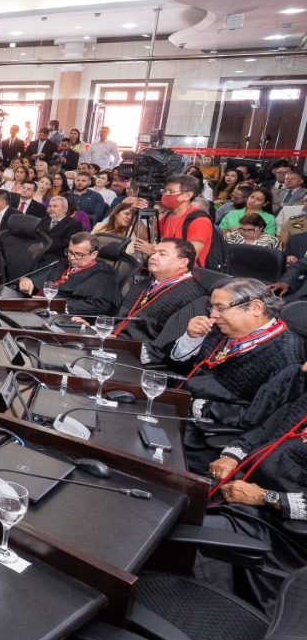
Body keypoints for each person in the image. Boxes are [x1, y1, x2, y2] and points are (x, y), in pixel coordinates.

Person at [204, 389, 307, 613]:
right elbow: (260, 433)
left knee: (195, 533)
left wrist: (265, 497)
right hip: (238, 493)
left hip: (282, 532)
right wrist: (232, 456)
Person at [170, 278, 302, 432]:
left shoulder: (287, 357)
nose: (213, 315)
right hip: (177, 404)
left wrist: (194, 405)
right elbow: (179, 369)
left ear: (256, 307)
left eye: (220, 308)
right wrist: (191, 339)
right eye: (211, 307)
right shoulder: (221, 328)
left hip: (207, 430)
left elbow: (263, 419)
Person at [103, 239, 204, 357]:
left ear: (182, 262)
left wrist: (122, 344)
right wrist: (95, 329)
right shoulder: (144, 283)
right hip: (114, 344)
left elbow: (169, 347)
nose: (153, 257)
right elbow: (120, 318)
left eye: (162, 254)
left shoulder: (193, 296)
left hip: (138, 358)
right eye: (154, 252)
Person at [18, 232, 120, 316]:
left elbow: (100, 306)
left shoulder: (102, 275)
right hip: (37, 308)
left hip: (63, 316)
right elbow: (40, 280)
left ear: (93, 254)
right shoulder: (64, 264)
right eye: (70, 252)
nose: (71, 258)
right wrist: (28, 281)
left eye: (79, 255)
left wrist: (58, 304)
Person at [39, 196, 83, 261]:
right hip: (36, 254)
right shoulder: (42, 220)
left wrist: (40, 246)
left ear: (65, 209)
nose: (51, 209)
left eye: (55, 206)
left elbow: (64, 243)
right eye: (50, 206)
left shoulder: (74, 224)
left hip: (56, 257)